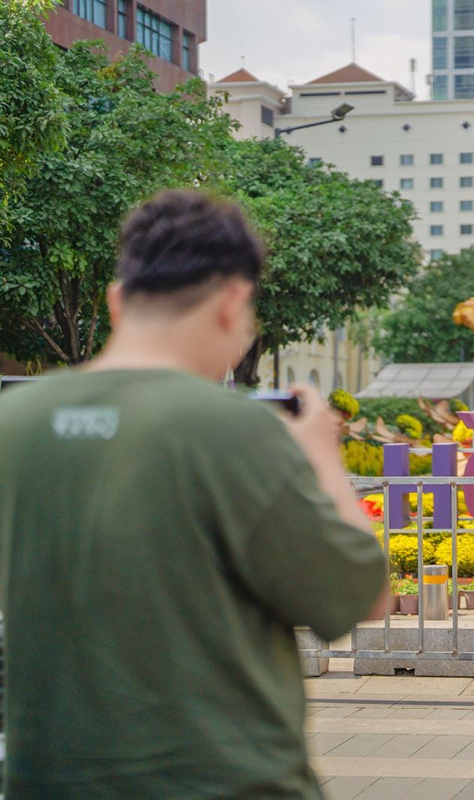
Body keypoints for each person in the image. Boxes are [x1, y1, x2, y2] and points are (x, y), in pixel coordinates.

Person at [0, 190, 390, 797]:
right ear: (234, 301)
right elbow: (361, 594)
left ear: (117, 299)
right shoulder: (232, 429)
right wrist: (320, 455)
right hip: (222, 780)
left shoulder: (15, 422)